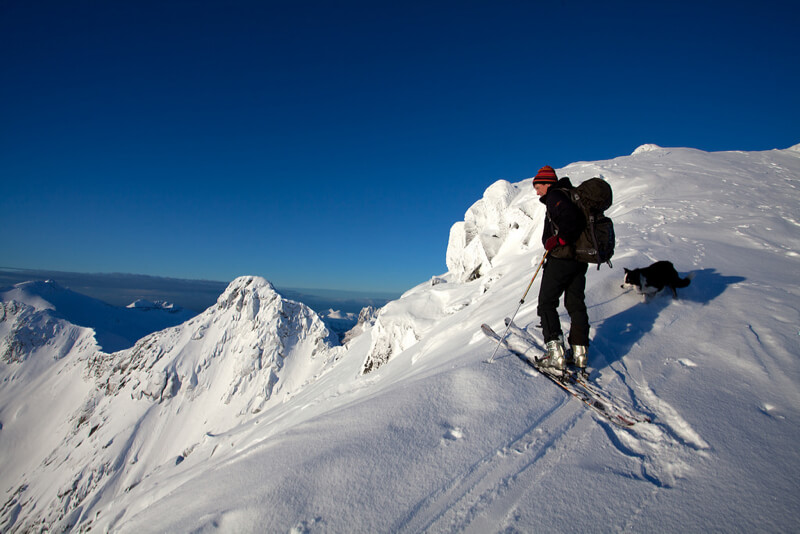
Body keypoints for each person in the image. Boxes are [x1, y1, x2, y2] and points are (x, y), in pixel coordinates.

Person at [532, 165, 590, 370]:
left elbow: (571, 221)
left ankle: (555, 354)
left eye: (538, 186)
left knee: (546, 303)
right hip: (579, 260)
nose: (537, 191)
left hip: (561, 260)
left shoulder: (556, 196)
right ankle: (579, 352)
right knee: (575, 304)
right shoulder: (567, 194)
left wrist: (556, 240)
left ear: (548, 183)